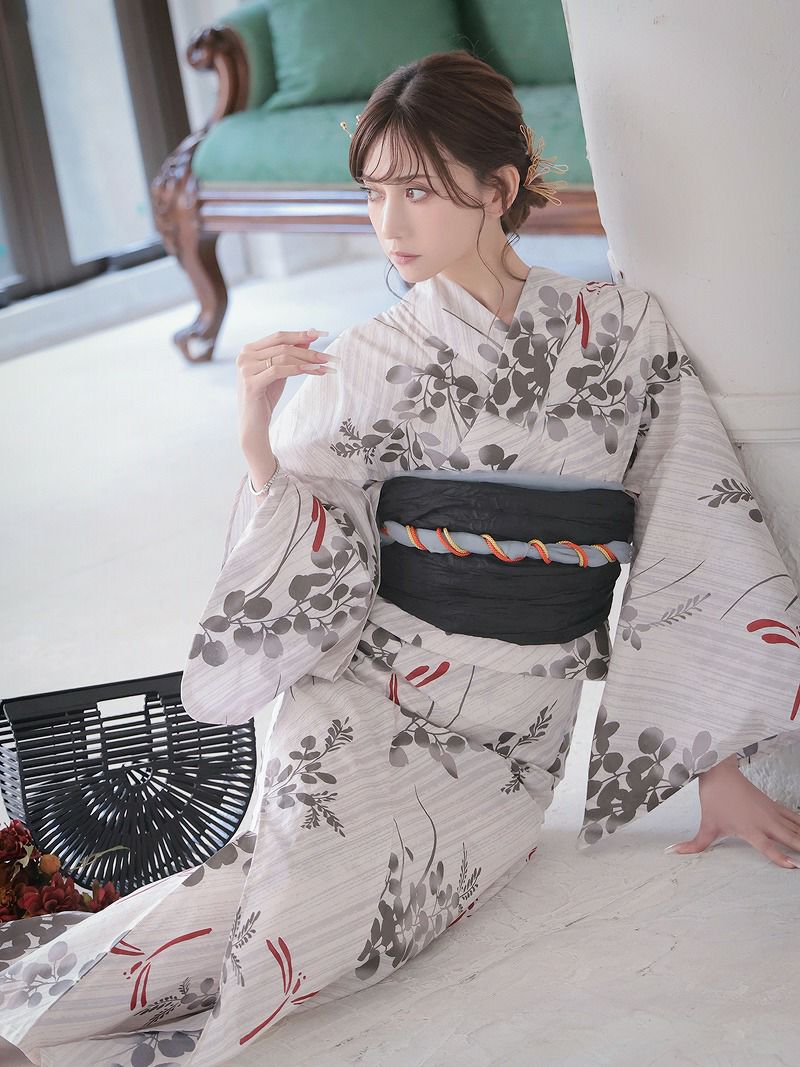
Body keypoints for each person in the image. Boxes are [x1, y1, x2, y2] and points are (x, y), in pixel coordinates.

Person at [2, 49, 799, 1067]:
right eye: (373, 192)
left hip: (515, 736)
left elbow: (685, 539)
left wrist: (713, 766)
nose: (388, 222)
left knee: (354, 915)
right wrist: (255, 437)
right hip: (372, 690)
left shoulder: (624, 331)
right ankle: (31, 1034)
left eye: (416, 190)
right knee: (294, 874)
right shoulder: (369, 356)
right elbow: (312, 534)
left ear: (498, 187)